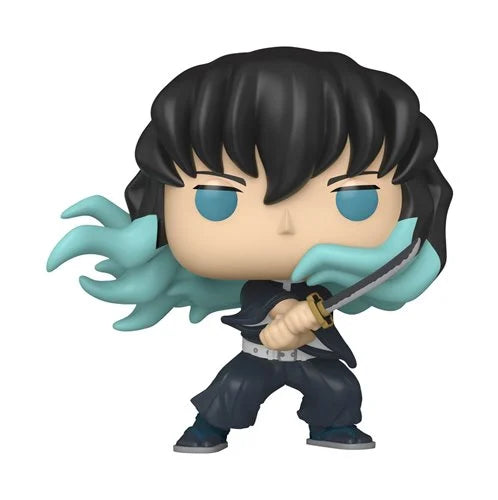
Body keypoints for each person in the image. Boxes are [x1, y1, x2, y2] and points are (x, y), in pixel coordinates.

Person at [47, 47, 452, 453]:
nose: (286, 225)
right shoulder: (259, 286)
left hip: (314, 357)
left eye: (356, 198)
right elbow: (262, 301)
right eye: (217, 199)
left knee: (340, 389)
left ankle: (332, 427)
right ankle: (207, 428)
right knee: (233, 390)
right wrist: (283, 311)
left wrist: (306, 315)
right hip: (259, 355)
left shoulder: (331, 281)